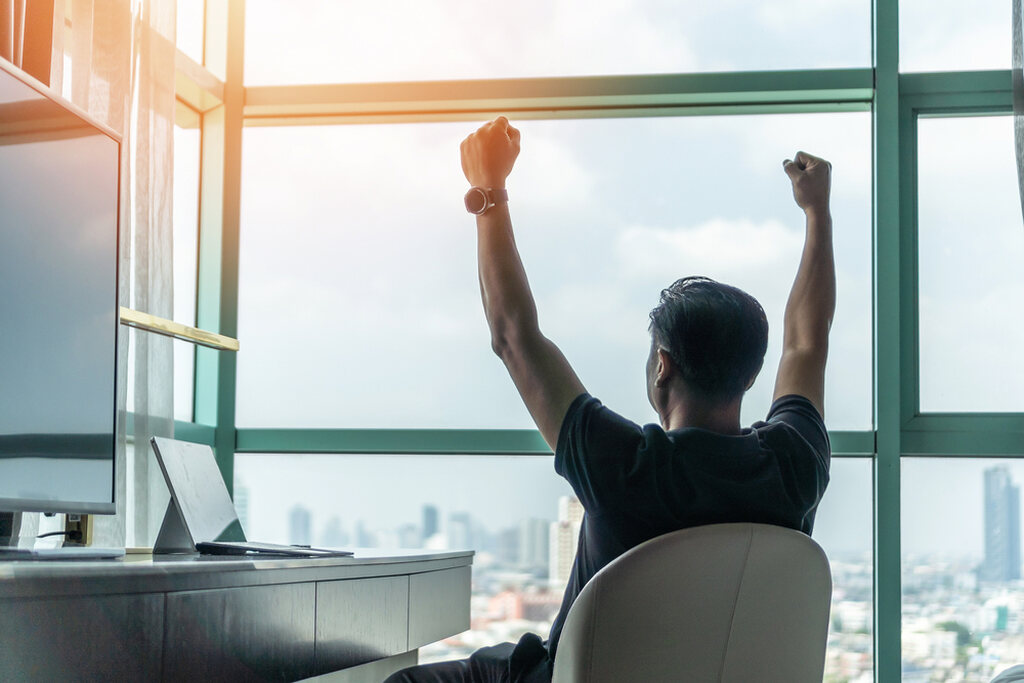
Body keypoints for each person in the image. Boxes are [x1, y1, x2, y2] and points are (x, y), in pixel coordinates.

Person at [385, 117, 834, 683]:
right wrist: (818, 213)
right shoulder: (795, 464)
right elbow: (808, 342)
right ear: (750, 377)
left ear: (662, 365)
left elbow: (512, 335)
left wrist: (488, 192)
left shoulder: (625, 465)